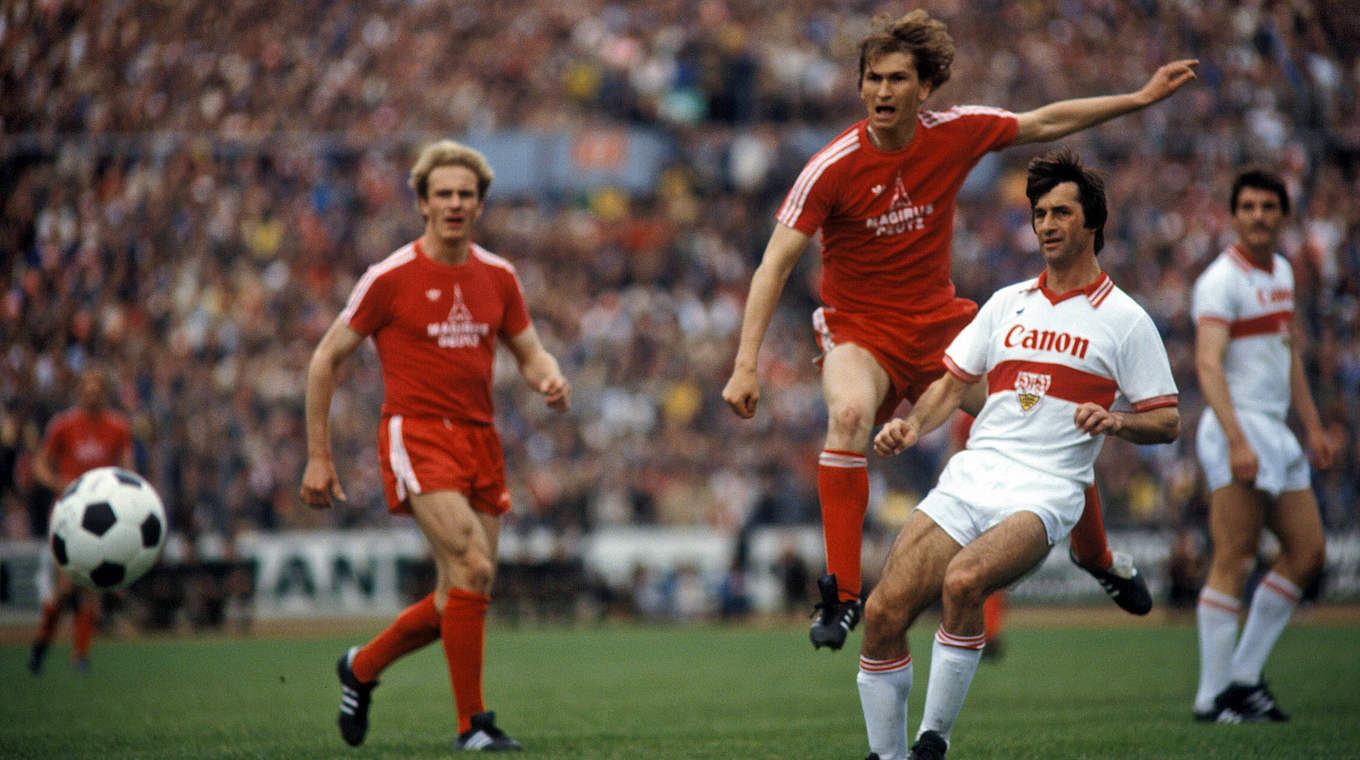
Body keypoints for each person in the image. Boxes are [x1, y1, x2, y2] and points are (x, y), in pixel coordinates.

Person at [720, 9, 1197, 650]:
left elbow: (1042, 122)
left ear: (924, 87)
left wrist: (1137, 99)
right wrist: (745, 365)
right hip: (859, 332)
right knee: (849, 416)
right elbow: (774, 264)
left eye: (896, 79)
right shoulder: (833, 165)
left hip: (939, 328)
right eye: (872, 79)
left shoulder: (954, 133)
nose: (882, 91)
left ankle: (1097, 557)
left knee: (1050, 417)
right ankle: (841, 596)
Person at [857, 149, 1180, 760]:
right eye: (1040, 214)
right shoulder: (1007, 303)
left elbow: (1167, 421)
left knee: (964, 582)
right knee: (882, 612)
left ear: (1093, 223)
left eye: (1062, 212)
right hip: (975, 473)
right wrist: (911, 425)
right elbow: (951, 385)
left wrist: (1116, 420)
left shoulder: (1126, 321)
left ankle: (931, 742)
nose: (1047, 224)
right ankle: (886, 755)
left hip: (1047, 489)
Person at [300, 140, 570, 752]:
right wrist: (319, 456)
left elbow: (530, 352)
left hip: (480, 438)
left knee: (463, 592)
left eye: (465, 195)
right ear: (422, 203)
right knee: (474, 567)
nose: (454, 203)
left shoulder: (499, 276)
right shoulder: (389, 277)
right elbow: (326, 359)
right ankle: (472, 725)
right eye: (443, 194)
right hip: (417, 433)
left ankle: (362, 668)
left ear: (480, 205)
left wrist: (549, 378)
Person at [1189, 169, 1334, 723]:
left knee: (1308, 553)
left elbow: (1286, 352)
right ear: (1233, 215)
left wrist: (1312, 426)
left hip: (1276, 431)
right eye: (1247, 206)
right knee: (1235, 555)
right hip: (1238, 427)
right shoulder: (1220, 280)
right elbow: (1208, 364)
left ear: (1282, 215)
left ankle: (1244, 679)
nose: (1258, 215)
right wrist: (1236, 439)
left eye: (1268, 207)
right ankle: (1212, 697)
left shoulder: (1283, 272)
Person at [28, 367, 134, 674]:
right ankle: (41, 644)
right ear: (80, 391)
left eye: (97, 387)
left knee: (92, 589)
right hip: (69, 514)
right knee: (65, 588)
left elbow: (128, 468)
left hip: (103, 517)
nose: (92, 392)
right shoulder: (63, 425)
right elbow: (40, 465)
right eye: (87, 387)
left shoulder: (118, 427)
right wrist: (57, 483)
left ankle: (80, 656)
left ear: (105, 392)